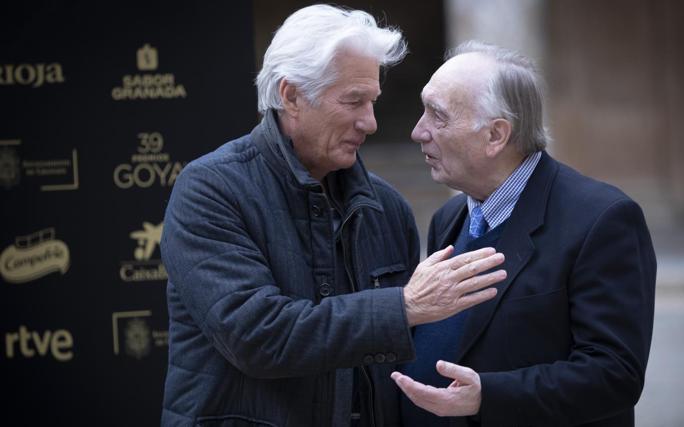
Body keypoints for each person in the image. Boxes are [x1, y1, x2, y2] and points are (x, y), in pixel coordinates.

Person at [159, 6, 507, 427]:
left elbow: (401, 361)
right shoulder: (211, 190)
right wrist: (405, 306)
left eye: (373, 101)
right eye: (353, 101)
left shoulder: (388, 206)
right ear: (290, 96)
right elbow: (257, 337)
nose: (371, 122)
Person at [391, 41, 657, 426]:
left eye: (438, 116)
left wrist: (487, 396)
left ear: (496, 136)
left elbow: (614, 374)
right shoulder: (449, 218)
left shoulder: (602, 219)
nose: (418, 131)